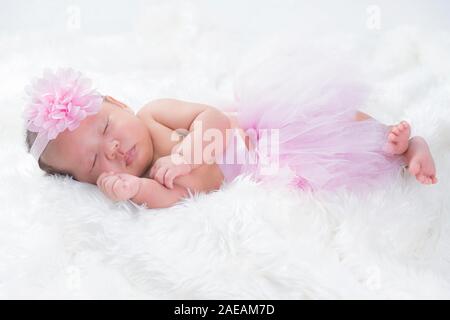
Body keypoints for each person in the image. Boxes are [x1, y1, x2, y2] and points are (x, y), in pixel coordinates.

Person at [23, 68, 437, 209]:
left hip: (265, 133)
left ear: (117, 103)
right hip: (270, 166)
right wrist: (135, 190)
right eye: (96, 163)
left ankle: (402, 140)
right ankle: (395, 157)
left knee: (321, 117)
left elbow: (215, 119)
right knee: (340, 168)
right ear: (85, 182)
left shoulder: (153, 114)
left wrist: (188, 153)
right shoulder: (150, 178)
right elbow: (180, 201)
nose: (113, 150)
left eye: (107, 128)